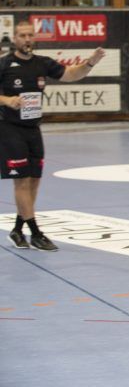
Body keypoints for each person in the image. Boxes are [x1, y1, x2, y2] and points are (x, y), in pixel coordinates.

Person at [1, 21, 105, 251]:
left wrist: (90, 63)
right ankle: (36, 233)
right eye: (22, 35)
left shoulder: (41, 63)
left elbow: (69, 74)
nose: (26, 39)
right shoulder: (5, 64)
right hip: (9, 129)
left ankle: (18, 229)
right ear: (15, 38)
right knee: (22, 180)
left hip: (33, 129)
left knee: (35, 179)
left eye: (30, 35)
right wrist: (7, 100)